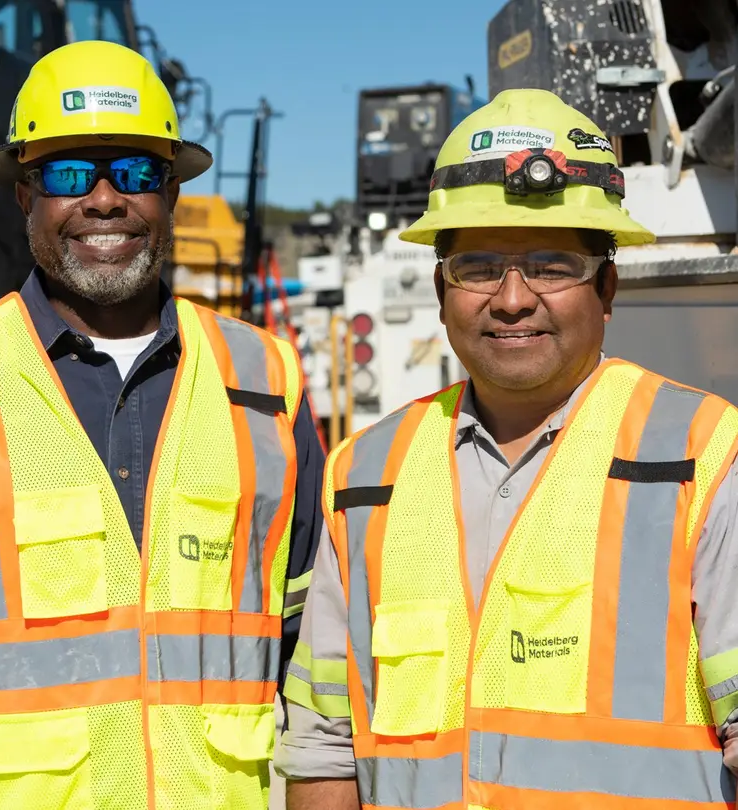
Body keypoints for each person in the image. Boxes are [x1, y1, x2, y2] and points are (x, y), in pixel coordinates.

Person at [0, 40, 325, 810]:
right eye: (69, 174)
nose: (104, 200)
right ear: (24, 195)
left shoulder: (264, 385)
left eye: (136, 173)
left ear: (170, 192)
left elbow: (318, 664)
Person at [274, 87, 738, 810]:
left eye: (553, 266)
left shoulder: (704, 458)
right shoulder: (365, 476)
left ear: (607, 286)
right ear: (440, 288)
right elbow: (325, 746)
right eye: (480, 266)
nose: (514, 298)